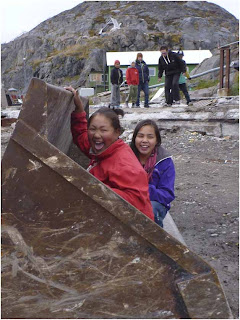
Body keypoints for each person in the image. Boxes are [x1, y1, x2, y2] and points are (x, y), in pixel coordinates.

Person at [65, 86, 154, 221]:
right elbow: (82, 138)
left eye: (103, 130)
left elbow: (136, 202)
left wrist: (94, 188)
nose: (96, 135)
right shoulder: (104, 149)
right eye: (92, 129)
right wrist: (79, 110)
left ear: (117, 132)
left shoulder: (124, 163)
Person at [130, 119, 175, 228]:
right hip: (130, 197)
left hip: (155, 202)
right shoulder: (127, 155)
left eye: (150, 137)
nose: (144, 140)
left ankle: (153, 244)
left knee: (151, 210)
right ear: (134, 138)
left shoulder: (164, 160)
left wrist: (143, 190)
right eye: (140, 136)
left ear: (156, 140)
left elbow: (167, 195)